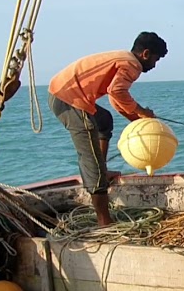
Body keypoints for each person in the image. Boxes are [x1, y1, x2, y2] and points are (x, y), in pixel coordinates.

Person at [47, 31, 167, 225]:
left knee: (104, 120)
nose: (154, 65)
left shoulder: (123, 58)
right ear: (145, 54)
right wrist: (142, 111)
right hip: (70, 100)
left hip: (61, 92)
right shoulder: (132, 64)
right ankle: (104, 220)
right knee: (90, 158)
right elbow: (117, 91)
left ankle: (102, 171)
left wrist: (135, 119)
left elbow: (114, 96)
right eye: (156, 59)